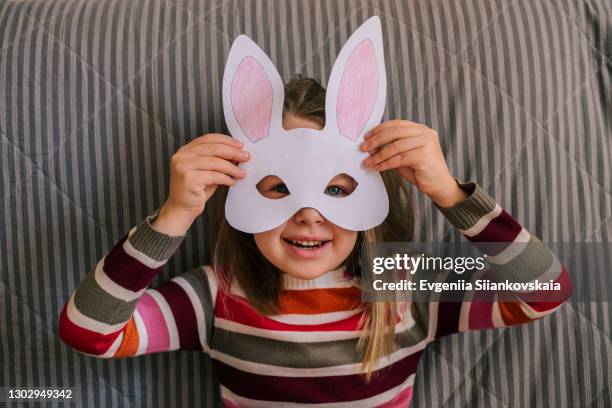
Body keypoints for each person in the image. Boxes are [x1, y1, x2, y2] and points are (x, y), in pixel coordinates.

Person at [58, 74, 572, 407]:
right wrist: (173, 216)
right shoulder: (216, 296)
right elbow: (88, 333)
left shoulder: (401, 283)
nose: (308, 214)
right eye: (278, 188)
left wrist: (449, 192)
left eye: (336, 190)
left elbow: (547, 293)